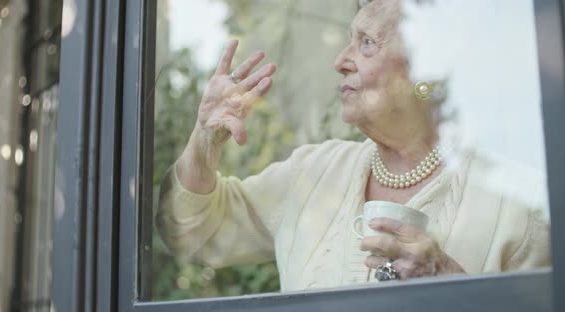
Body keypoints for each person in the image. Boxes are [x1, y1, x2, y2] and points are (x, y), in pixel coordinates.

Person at [157, 0, 551, 292]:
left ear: (426, 69)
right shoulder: (312, 171)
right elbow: (192, 232)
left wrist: (448, 283)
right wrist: (204, 139)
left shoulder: (519, 207)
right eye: (349, 40)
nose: (340, 61)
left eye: (366, 43)